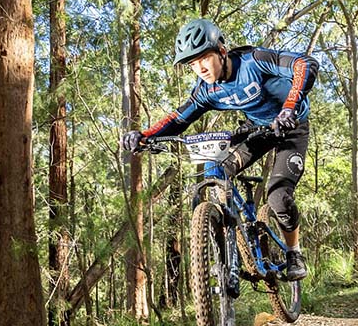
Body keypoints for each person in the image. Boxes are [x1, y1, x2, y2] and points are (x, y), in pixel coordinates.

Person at [122, 18, 318, 280]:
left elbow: (305, 64)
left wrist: (289, 108)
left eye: (204, 58)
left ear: (222, 51)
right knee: (214, 169)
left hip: (291, 126)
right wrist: (144, 136)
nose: (200, 69)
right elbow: (178, 118)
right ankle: (226, 252)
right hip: (257, 130)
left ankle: (294, 253)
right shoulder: (207, 90)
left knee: (278, 197)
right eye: (192, 64)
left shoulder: (253, 61)